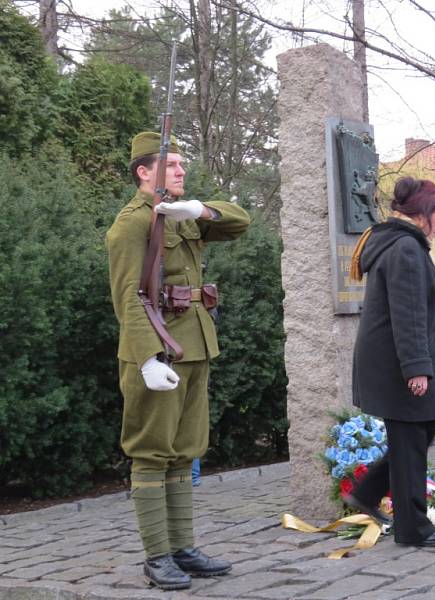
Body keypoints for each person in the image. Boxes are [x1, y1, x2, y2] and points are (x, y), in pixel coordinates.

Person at [106, 132, 251, 590]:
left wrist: (201, 210)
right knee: (152, 453)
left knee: (184, 451)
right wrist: (147, 356)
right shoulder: (132, 224)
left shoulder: (179, 215)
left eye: (182, 164)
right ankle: (157, 555)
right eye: (170, 165)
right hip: (157, 349)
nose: (181, 171)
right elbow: (127, 297)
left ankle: (183, 547)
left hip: (194, 343)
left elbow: (239, 222)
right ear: (143, 172)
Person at [347, 177, 435, 547]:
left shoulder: (401, 244)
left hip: (390, 362)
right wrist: (416, 368)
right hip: (397, 366)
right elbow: (408, 313)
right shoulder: (404, 249)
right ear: (421, 214)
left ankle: (368, 493)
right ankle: (413, 529)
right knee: (411, 441)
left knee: (419, 433)